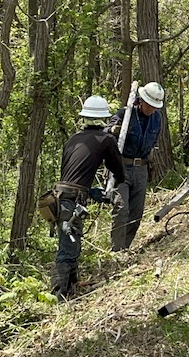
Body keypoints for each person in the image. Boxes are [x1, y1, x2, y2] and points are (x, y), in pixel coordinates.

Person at [51, 95, 126, 302]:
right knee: (68, 247)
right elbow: (117, 169)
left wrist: (90, 191)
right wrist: (118, 183)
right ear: (103, 119)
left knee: (72, 242)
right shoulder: (106, 139)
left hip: (59, 197)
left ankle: (71, 287)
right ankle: (58, 297)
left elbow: (72, 175)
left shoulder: (73, 138)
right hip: (71, 200)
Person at [104, 81, 164, 252]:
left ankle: (125, 249)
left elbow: (154, 142)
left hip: (141, 169)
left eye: (155, 106)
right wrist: (114, 130)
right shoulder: (125, 113)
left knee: (136, 215)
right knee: (122, 210)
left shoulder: (156, 119)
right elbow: (106, 132)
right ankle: (116, 251)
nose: (151, 109)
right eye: (149, 104)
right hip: (121, 167)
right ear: (141, 100)